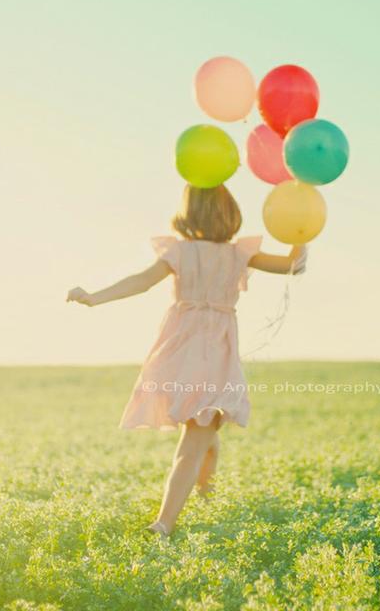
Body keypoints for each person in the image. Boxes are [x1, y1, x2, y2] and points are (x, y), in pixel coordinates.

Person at [66, 184, 307, 537]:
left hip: (179, 355)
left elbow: (141, 282)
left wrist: (94, 297)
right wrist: (303, 230)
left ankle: (207, 501)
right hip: (214, 356)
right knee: (195, 440)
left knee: (205, 434)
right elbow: (294, 265)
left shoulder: (181, 252)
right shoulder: (238, 254)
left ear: (188, 213)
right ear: (231, 213)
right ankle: (164, 523)